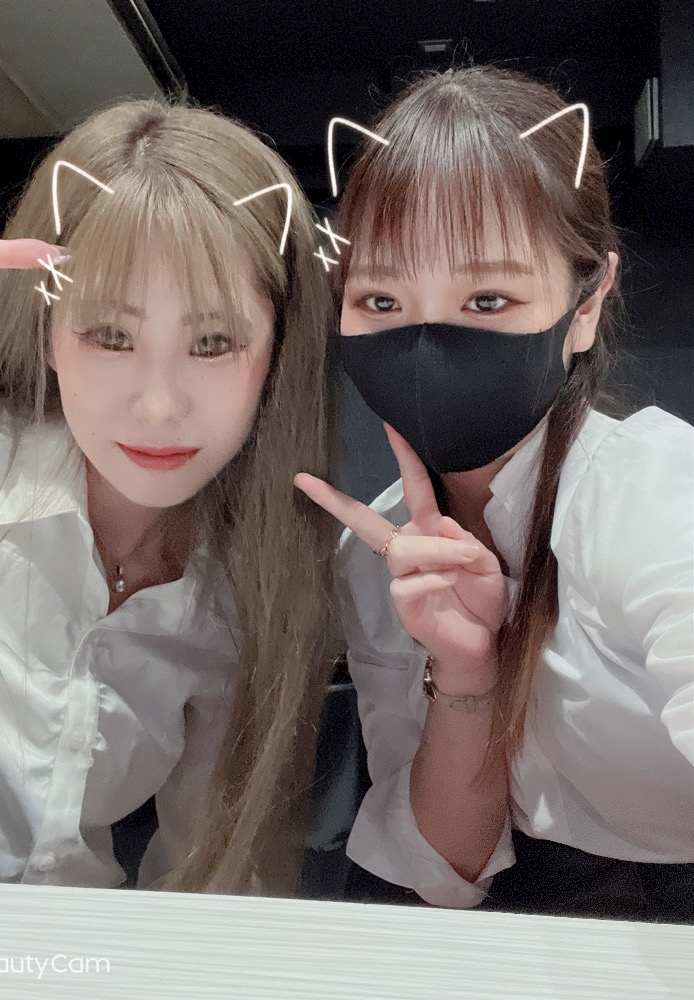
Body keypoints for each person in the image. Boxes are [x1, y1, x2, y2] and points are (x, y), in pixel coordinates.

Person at [296, 66, 694, 922]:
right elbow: (446, 870)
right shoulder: (376, 558)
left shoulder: (654, 494)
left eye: (487, 297)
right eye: (381, 297)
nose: (427, 343)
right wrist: (466, 669)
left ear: (586, 305)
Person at [0, 86, 340, 895]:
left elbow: (214, 880)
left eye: (214, 342)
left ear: (276, 353)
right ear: (46, 331)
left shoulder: (256, 590)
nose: (158, 405)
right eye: (110, 334)